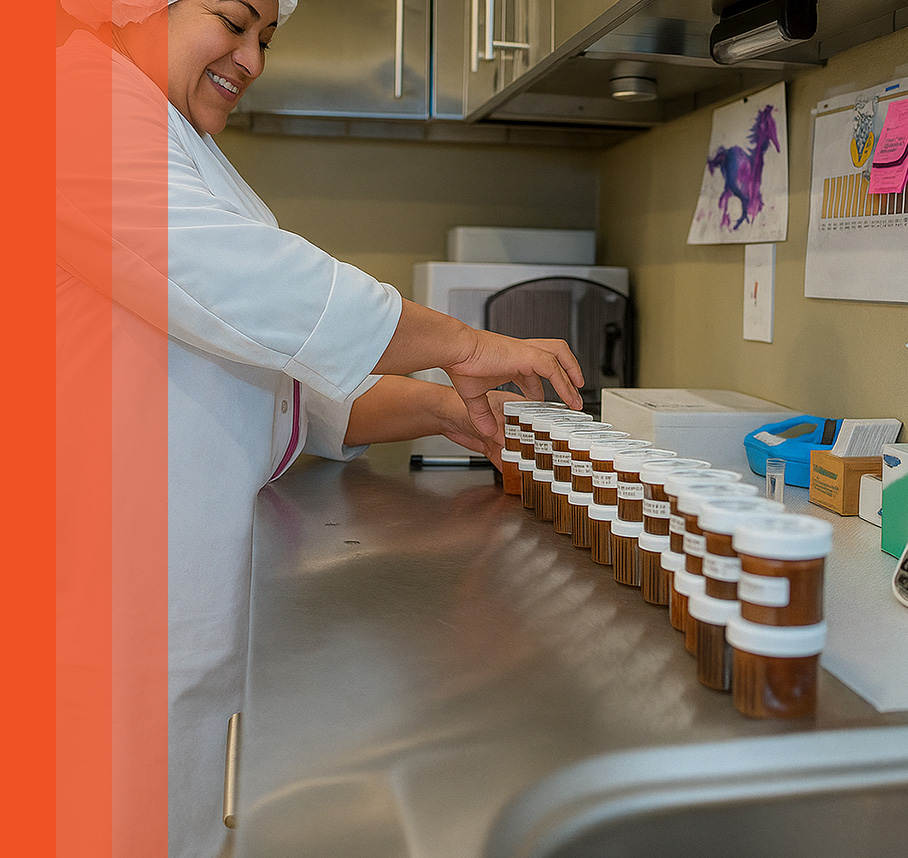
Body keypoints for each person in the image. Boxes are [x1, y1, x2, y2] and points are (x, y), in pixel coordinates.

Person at [56, 2, 584, 856]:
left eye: (267, 38)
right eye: (234, 21)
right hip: (101, 604)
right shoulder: (72, 101)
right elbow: (251, 289)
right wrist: (464, 343)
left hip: (167, 595)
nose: (252, 59)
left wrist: (445, 408)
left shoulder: (174, 135)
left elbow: (268, 383)